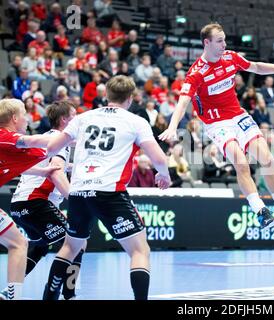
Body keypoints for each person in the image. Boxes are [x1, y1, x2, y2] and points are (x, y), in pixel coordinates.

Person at [159, 23, 274, 231]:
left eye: (224, 40)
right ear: (207, 43)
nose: (224, 44)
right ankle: (260, 211)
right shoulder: (196, 73)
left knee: (266, 158)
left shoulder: (230, 57)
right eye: (219, 41)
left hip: (238, 115)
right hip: (216, 123)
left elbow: (256, 67)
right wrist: (173, 126)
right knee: (241, 163)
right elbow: (183, 101)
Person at [43, 76, 171, 300]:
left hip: (79, 192)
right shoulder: (135, 121)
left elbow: (52, 147)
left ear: (106, 95)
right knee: (140, 251)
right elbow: (159, 158)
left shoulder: (83, 118)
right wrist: (164, 174)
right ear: (130, 98)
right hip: (109, 193)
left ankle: (49, 296)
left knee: (70, 247)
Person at [2, 101, 86, 301]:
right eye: (75, 116)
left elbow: (48, 161)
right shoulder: (55, 140)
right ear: (65, 120)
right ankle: (66, 295)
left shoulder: (51, 139)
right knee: (77, 243)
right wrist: (75, 200)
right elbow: (56, 171)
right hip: (36, 202)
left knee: (38, 245)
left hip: (20, 205)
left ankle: (10, 291)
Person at [0, 98, 59, 300]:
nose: (27, 119)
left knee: (18, 243)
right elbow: (35, 141)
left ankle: (12, 296)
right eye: (25, 114)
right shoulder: (3, 136)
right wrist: (68, 136)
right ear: (15, 118)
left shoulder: (12, 148)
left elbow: (21, 162)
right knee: (17, 244)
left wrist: (44, 172)